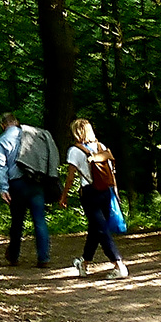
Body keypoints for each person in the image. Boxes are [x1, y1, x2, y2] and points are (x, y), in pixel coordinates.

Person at [60, 118, 129, 279]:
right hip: (106, 191)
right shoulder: (102, 148)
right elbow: (111, 172)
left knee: (100, 229)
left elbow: (70, 177)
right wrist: (115, 191)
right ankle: (83, 263)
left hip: (89, 192)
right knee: (95, 229)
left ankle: (119, 265)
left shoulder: (75, 151)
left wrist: (64, 196)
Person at [0, 113, 60, 267]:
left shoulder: (1, 141)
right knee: (39, 220)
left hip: (16, 185)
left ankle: (14, 256)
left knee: (17, 221)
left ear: (3, 125)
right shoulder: (35, 135)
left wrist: (3, 188)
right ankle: (43, 258)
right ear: (16, 122)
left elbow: (1, 166)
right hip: (35, 182)